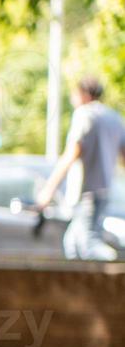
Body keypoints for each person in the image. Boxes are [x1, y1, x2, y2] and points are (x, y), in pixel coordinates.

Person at [37, 76, 125, 260]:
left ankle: (115, 269)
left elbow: (72, 153)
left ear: (84, 94)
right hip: (104, 190)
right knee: (72, 242)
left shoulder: (85, 115)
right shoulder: (114, 118)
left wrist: (48, 190)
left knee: (88, 243)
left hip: (88, 192)